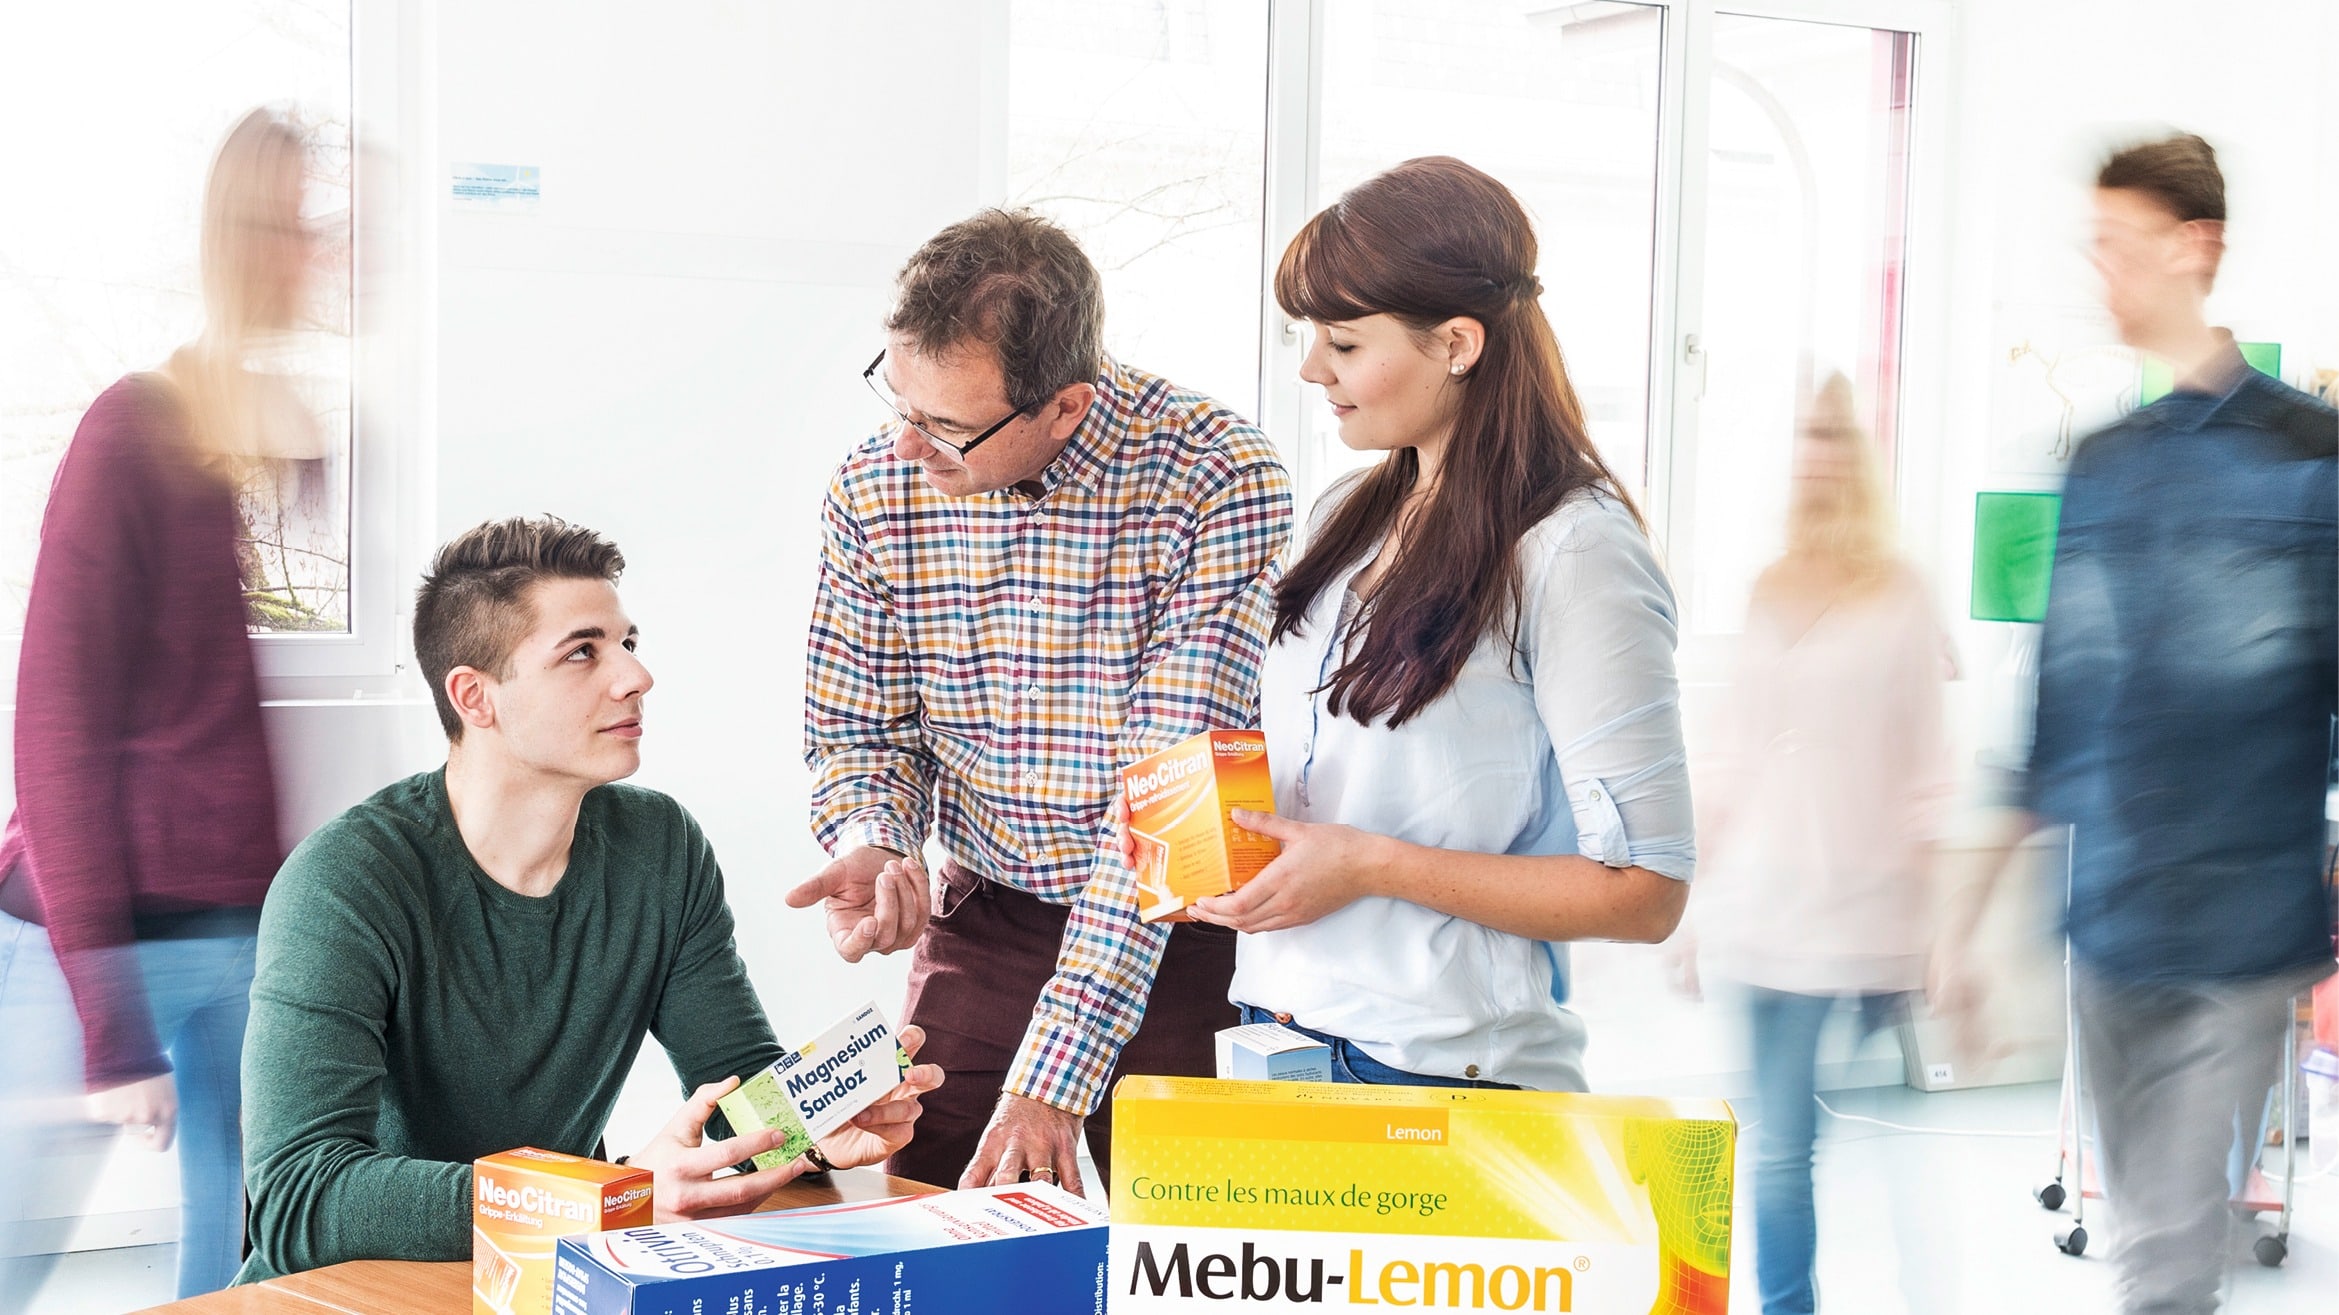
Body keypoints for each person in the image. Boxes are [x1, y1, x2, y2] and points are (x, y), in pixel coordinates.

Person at [236, 516, 943, 1280]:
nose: (635, 676)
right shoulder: (347, 880)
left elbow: (735, 1087)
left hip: (539, 1275)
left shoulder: (660, 848)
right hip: (342, 1290)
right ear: (476, 696)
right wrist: (611, 1197)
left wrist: (815, 1123)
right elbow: (299, 1196)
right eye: (582, 651)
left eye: (627, 643)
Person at [1157, 156, 1693, 1092]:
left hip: (1439, 1071)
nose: (1311, 368)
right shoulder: (1341, 516)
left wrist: (1368, 865)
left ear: (1455, 342)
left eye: (1344, 342)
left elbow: (1645, 893)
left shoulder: (1572, 552)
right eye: (1309, 337)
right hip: (1272, 1031)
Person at [791, 208, 1292, 1196]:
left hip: (1189, 928)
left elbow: (1173, 810)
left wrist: (1055, 1071)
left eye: (944, 425)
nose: (904, 447)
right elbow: (859, 728)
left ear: (1064, 406)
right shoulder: (871, 490)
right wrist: (876, 834)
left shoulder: (1213, 477)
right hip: (990, 919)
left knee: (1196, 1257)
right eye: (897, 401)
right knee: (938, 1221)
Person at [1948, 132, 2336, 1315]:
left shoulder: (2308, 458)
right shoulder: (2101, 465)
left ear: (2193, 247)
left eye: (2119, 247)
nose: (2100, 273)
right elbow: (2053, 710)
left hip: (2237, 926)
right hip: (2106, 925)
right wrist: (1958, 920)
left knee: (2163, 1261)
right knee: (2142, 1244)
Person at [0, 107, 315, 1303]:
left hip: (238, 932)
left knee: (238, 1269)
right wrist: (107, 1022)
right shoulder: (132, 429)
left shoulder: (236, 439)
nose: (319, 262)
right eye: (295, 233)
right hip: (93, 942)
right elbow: (54, 728)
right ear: (247, 243)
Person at [1679, 373, 1954, 1315]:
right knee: (1777, 1140)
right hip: (1755, 906)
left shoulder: (1901, 593)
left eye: (1834, 435)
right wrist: (1685, 912)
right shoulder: (1764, 583)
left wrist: (1942, 931)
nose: (1818, 453)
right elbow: (1727, 759)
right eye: (1805, 435)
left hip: (1854, 907)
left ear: (1860, 459)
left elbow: (1927, 773)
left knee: (1789, 1143)